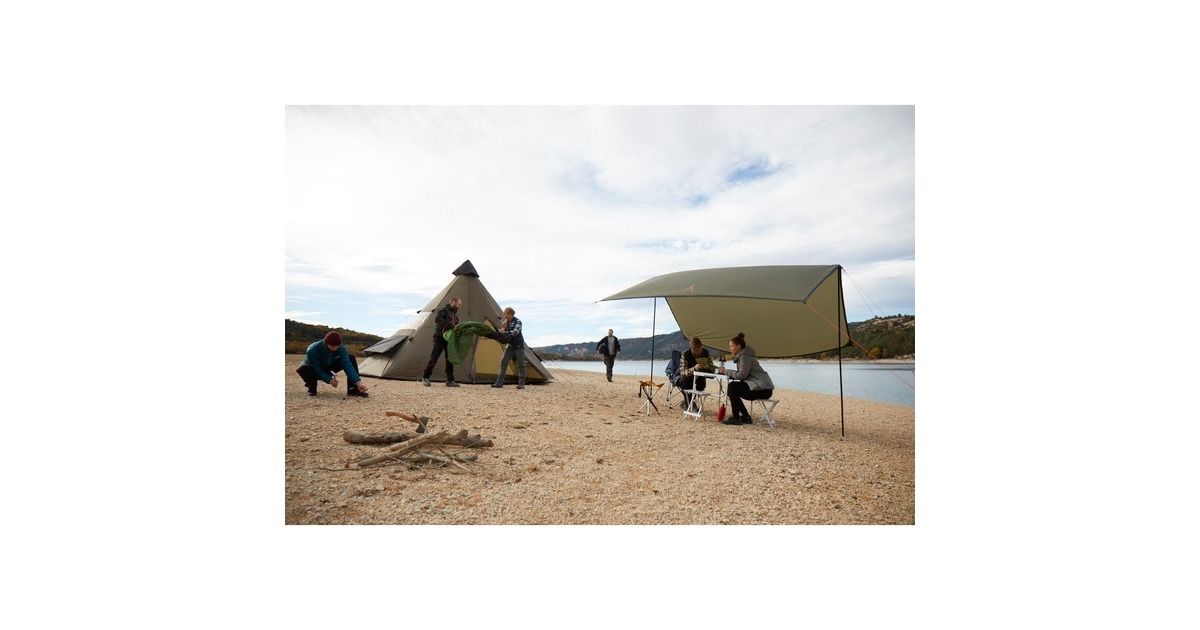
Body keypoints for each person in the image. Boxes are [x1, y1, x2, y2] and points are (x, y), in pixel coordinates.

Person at [717, 332, 774, 425]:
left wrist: (726, 371)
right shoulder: (743, 355)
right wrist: (728, 372)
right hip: (761, 387)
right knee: (732, 389)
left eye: (731, 346)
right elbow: (744, 375)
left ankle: (737, 417)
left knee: (732, 387)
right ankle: (745, 416)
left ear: (738, 347)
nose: (730, 348)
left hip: (764, 390)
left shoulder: (744, 357)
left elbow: (742, 376)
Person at [296, 331, 370, 398]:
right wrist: (329, 380)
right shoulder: (312, 350)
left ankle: (353, 389)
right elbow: (317, 369)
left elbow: (347, 365)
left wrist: (359, 383)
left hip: (328, 367)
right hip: (314, 370)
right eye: (333, 346)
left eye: (337, 346)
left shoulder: (340, 348)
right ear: (326, 343)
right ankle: (312, 388)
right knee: (303, 368)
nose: (335, 349)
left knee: (350, 358)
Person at [422, 297, 461, 387]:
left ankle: (450, 380)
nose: (460, 306)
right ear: (454, 302)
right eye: (459, 304)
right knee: (434, 357)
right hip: (439, 337)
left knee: (450, 359)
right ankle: (425, 377)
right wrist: (451, 325)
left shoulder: (455, 316)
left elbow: (456, 327)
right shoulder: (443, 309)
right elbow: (438, 319)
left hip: (449, 340)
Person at [490, 306, 527, 389]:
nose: (504, 315)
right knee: (503, 362)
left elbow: (515, 332)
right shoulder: (505, 322)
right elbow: (504, 335)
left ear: (510, 314)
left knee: (521, 365)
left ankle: (521, 384)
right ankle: (499, 383)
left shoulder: (518, 321)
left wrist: (505, 332)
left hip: (519, 346)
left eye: (505, 313)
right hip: (510, 346)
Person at [676, 336, 714, 410]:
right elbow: (683, 372)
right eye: (695, 351)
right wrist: (694, 368)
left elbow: (712, 367)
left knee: (701, 384)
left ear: (701, 347)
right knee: (686, 382)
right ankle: (690, 404)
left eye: (699, 350)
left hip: (699, 377)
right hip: (684, 378)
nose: (698, 353)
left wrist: (708, 367)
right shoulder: (685, 354)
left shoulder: (705, 352)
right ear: (691, 349)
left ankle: (687, 403)